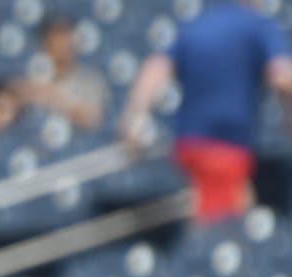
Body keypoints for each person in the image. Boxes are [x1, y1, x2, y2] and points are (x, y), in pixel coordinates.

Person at [120, 0, 292, 222]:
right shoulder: (258, 26)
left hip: (189, 144)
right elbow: (282, 77)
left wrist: (134, 118)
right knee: (224, 225)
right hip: (225, 146)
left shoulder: (199, 25)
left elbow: (156, 67)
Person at [12, 13, 108, 131]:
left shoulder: (91, 81)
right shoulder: (29, 76)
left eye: (68, 37)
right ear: (45, 42)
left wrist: (54, 97)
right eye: (58, 38)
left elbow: (92, 120)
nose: (64, 44)